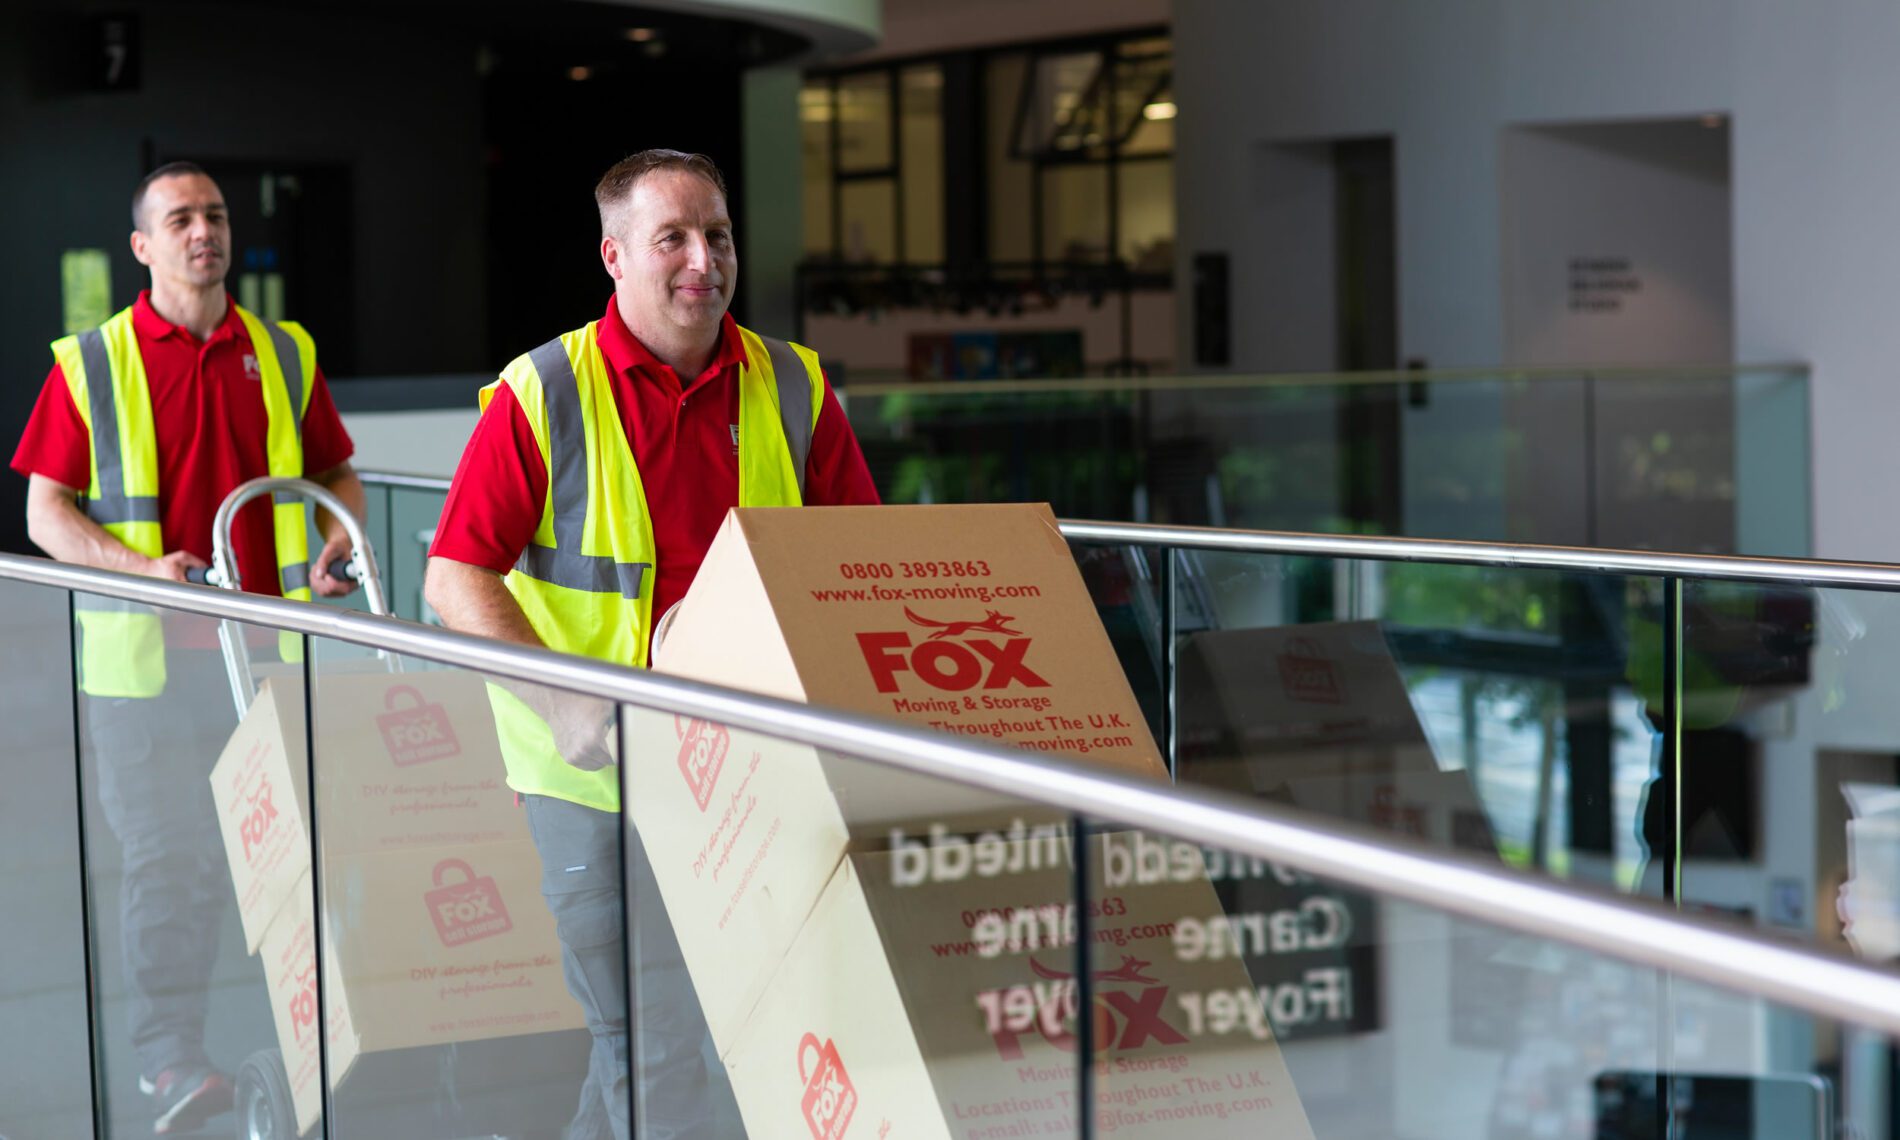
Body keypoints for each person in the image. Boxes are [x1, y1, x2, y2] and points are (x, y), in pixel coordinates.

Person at [424, 149, 879, 1140]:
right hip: (592, 779)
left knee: (676, 1042)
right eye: (671, 236)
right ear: (614, 256)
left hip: (754, 769)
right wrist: (566, 700)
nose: (701, 259)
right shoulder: (542, 391)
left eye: (715, 234)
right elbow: (454, 578)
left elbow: (855, 558)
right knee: (655, 1044)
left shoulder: (791, 385)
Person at [11, 162, 363, 1134]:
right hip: (147, 673)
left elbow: (336, 467)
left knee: (294, 855)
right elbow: (46, 514)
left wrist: (340, 541)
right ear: (144, 246)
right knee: (171, 866)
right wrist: (135, 569)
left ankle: (324, 1039)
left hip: (267, 654)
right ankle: (170, 1063)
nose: (202, 231)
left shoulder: (283, 352)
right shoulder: (95, 359)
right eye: (179, 218)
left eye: (212, 215)